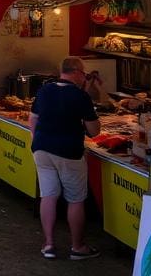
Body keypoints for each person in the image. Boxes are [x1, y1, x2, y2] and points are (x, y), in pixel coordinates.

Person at [29, 56, 101, 260]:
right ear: (76, 72)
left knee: (48, 195)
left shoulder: (44, 90)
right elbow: (94, 131)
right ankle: (77, 247)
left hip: (42, 149)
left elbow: (32, 119)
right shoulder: (80, 97)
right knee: (75, 199)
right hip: (69, 151)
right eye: (83, 73)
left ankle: (49, 245)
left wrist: (37, 141)